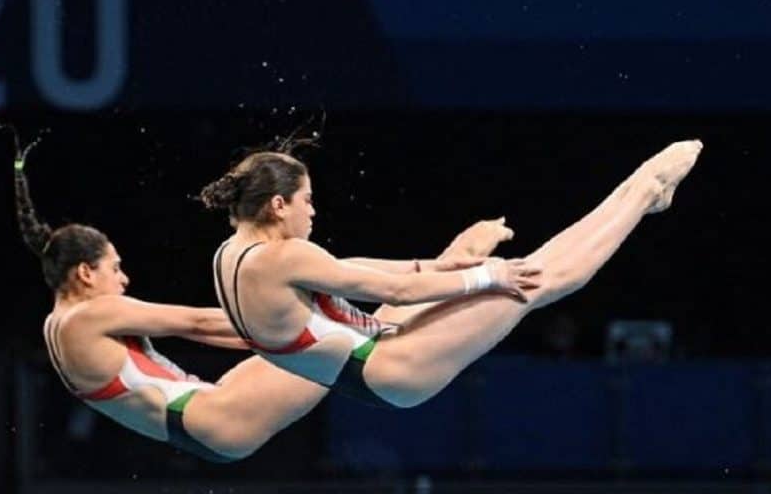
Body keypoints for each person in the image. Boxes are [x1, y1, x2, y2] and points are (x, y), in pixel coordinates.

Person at [13, 150, 512, 462]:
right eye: (114, 268)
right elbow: (193, 321)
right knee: (341, 329)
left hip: (203, 417)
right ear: (84, 273)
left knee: (326, 312)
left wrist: (265, 325)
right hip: (215, 418)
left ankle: (440, 267)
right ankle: (457, 265)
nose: (123, 278)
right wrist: (264, 321)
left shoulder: (55, 326)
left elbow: (214, 332)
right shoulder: (91, 315)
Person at [203, 141, 703, 408]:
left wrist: (437, 267)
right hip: (392, 366)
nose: (313, 212)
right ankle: (645, 190)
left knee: (509, 274)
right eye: (307, 201)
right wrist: (487, 277)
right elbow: (392, 289)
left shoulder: (231, 256)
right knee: (533, 281)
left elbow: (349, 271)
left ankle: (641, 194)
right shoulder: (285, 257)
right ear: (277, 204)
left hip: (373, 368)